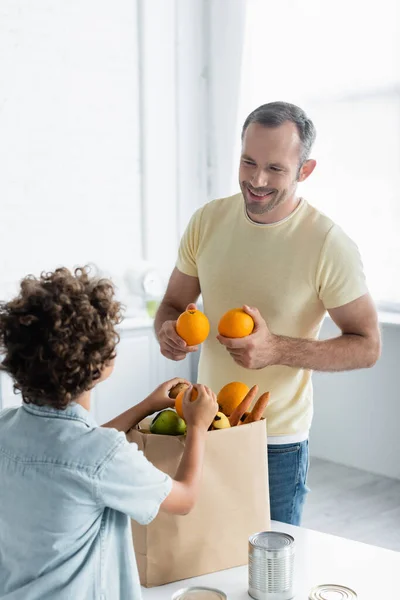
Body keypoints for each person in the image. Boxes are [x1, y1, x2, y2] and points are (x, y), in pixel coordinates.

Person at [154, 101, 381, 526]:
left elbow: (367, 347)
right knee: (204, 555)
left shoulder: (328, 243)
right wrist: (167, 331)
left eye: (275, 168)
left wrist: (276, 348)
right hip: (204, 426)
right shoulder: (207, 220)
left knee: (268, 573)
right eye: (248, 162)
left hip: (276, 441)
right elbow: (171, 304)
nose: (256, 180)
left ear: (305, 170)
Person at [0, 266, 218, 600]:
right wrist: (199, 426)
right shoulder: (102, 454)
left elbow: (72, 451)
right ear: (100, 362)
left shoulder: (5, 428)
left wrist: (146, 406)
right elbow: (184, 498)